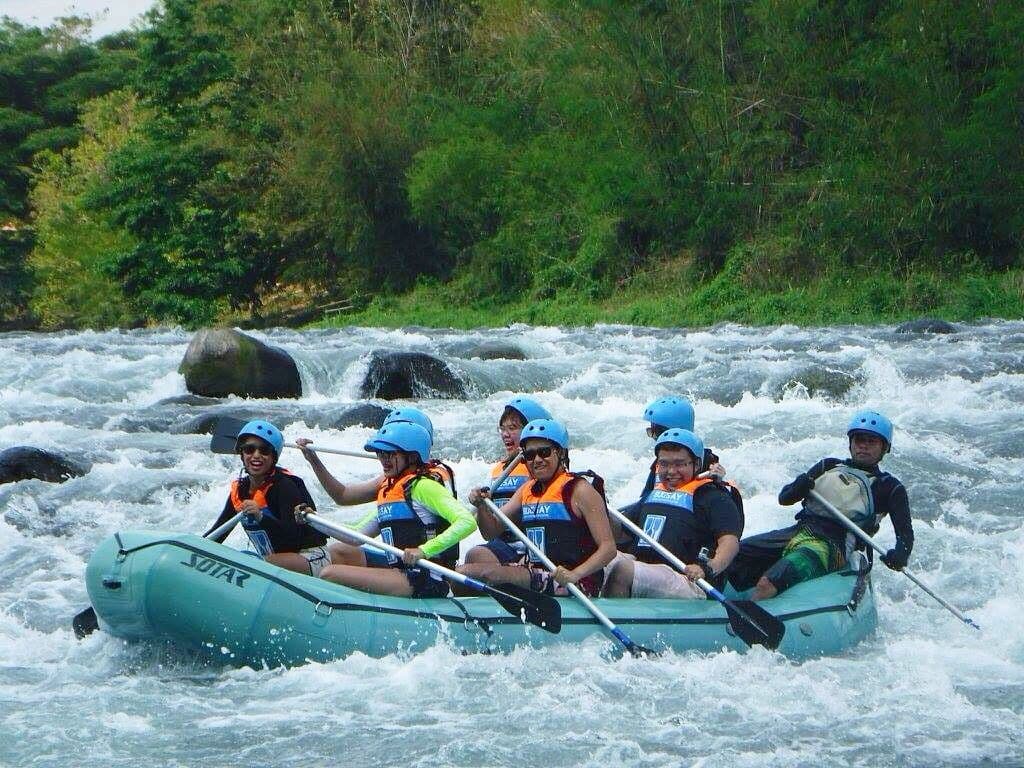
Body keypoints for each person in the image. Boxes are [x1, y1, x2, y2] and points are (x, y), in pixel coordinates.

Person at [729, 409, 914, 600]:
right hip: (798, 531)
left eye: (871, 442)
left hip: (834, 545)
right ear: (851, 443)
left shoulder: (889, 487)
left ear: (885, 448)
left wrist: (900, 554)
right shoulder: (828, 466)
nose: (864, 446)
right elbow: (785, 499)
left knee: (768, 583)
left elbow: (905, 535)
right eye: (859, 440)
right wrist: (798, 487)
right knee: (734, 554)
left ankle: (747, 618)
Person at [296, 421, 477, 597]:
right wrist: (313, 520)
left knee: (329, 574)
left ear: (412, 457)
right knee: (338, 553)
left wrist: (424, 550)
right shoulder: (390, 491)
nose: (383, 460)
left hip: (427, 576)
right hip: (402, 572)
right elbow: (356, 536)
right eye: (380, 454)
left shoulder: (423, 487)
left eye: (390, 454)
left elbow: (466, 522)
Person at [459, 419, 616, 596]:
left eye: (544, 452)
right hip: (534, 570)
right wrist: (481, 506)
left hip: (574, 581)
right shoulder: (527, 489)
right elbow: (491, 531)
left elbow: (608, 548)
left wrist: (575, 574)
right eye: (530, 455)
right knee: (461, 574)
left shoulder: (580, 490)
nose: (537, 460)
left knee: (472, 574)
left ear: (560, 453)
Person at [603, 428, 743, 598]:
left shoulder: (714, 497)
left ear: (696, 464)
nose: (670, 471)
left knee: (624, 570)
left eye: (679, 464)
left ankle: (616, 617)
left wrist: (707, 568)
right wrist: (601, 509)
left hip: (691, 580)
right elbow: (620, 531)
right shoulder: (654, 494)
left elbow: (730, 544)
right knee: (599, 560)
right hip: (646, 566)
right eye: (664, 464)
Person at [203, 419, 331, 576]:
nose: (256, 456)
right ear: (242, 454)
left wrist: (261, 517)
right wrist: (194, 548)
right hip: (273, 562)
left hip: (310, 556)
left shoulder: (285, 487)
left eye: (264, 450)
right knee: (248, 558)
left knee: (255, 563)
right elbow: (219, 533)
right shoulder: (239, 491)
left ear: (273, 457)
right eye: (249, 449)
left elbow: (293, 538)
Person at [462, 396, 553, 568]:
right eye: (502, 428)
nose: (505, 434)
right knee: (473, 558)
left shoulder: (538, 468)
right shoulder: (498, 470)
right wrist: (481, 505)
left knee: (476, 557)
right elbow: (489, 532)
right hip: (502, 544)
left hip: (530, 546)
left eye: (513, 428)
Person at [639, 396, 725, 501]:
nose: (655, 437)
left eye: (657, 431)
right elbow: (645, 498)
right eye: (651, 431)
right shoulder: (660, 462)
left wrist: (718, 480)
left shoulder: (705, 461)